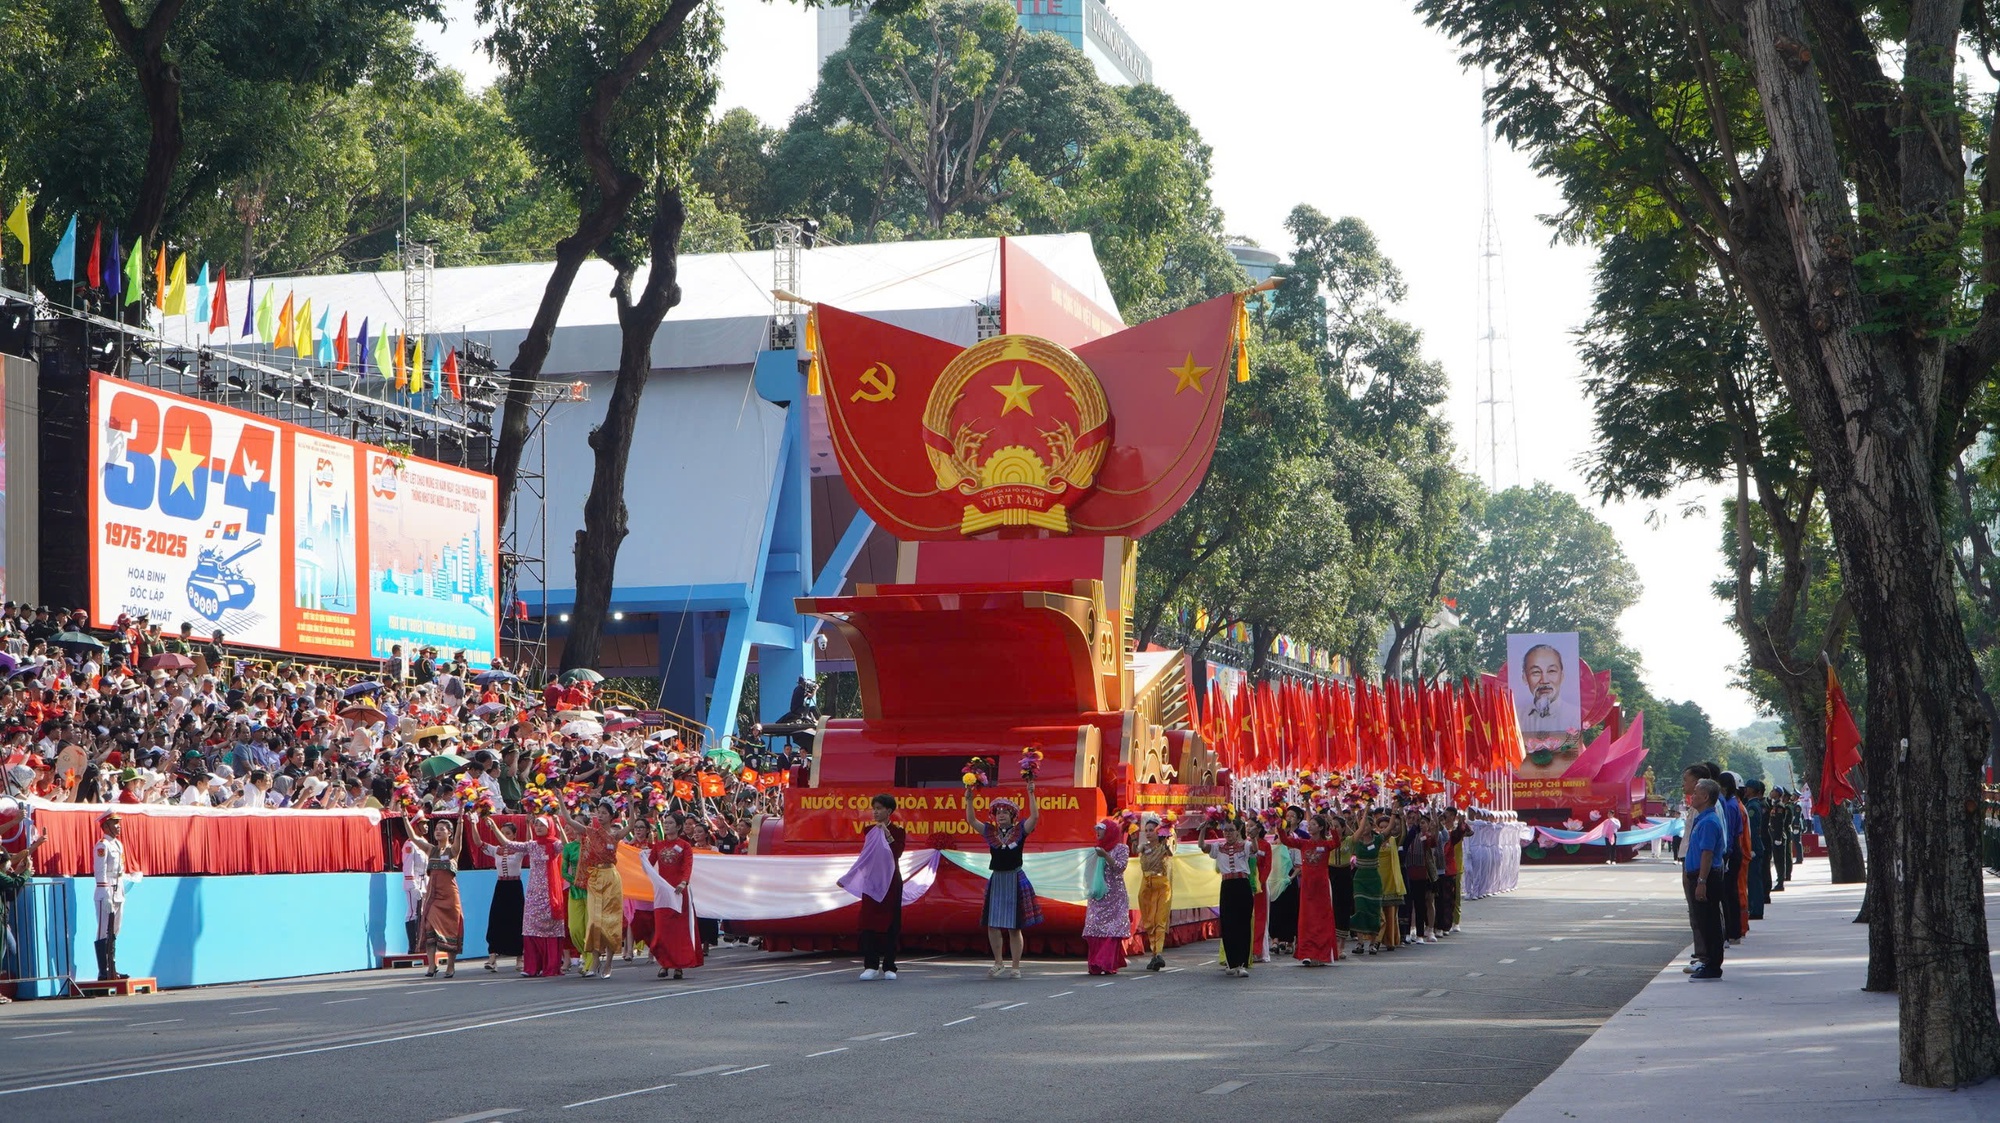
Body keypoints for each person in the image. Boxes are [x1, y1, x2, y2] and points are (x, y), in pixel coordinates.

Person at [962, 777, 1042, 979]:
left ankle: (1015, 966)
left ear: (1013, 815)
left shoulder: (1020, 830)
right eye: (998, 812)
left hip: (1015, 878)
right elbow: (972, 820)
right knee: (993, 924)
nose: (1001, 815)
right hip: (997, 879)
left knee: (1015, 926)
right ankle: (998, 962)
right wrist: (969, 800)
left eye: (1005, 812)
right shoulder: (990, 832)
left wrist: (1031, 793)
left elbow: (1035, 816)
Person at [485, 814, 568, 977]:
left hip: (550, 891)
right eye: (536, 825)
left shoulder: (554, 844)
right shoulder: (532, 845)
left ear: (549, 827)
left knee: (550, 927)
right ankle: (532, 967)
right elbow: (508, 843)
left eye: (542, 825)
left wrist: (559, 825)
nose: (538, 828)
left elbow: (566, 845)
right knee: (530, 927)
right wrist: (494, 828)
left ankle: (550, 965)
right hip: (533, 892)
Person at [837, 794, 906, 981]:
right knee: (867, 923)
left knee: (892, 924)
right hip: (871, 881)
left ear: (889, 811)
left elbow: (897, 853)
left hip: (891, 881)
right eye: (874, 808)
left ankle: (890, 966)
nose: (875, 811)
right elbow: (864, 858)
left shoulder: (898, 831)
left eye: (879, 808)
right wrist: (848, 877)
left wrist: (887, 834)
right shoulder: (868, 831)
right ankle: (871, 965)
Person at [561, 799, 631, 978]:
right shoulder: (590, 832)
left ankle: (608, 962)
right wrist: (561, 799)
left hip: (611, 878)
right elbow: (569, 821)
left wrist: (631, 804)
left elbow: (630, 826)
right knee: (594, 921)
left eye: (604, 813)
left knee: (610, 921)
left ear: (611, 816)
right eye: (598, 812)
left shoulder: (615, 835)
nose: (600, 815)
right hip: (594, 879)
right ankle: (595, 959)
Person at [640, 811, 702, 980]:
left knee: (678, 931)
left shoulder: (685, 846)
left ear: (679, 826)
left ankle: (678, 966)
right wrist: (642, 856)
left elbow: (688, 866)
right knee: (662, 929)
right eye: (665, 823)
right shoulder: (658, 846)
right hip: (663, 894)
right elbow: (649, 865)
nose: (666, 825)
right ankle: (664, 963)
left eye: (670, 823)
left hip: (679, 892)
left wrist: (684, 882)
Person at [1278, 812, 1342, 966]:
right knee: (1307, 920)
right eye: (1309, 824)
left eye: (1313, 824)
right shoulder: (1303, 843)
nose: (1310, 826)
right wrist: (1280, 828)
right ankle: (1307, 953)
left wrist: (1333, 829)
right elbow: (1286, 840)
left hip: (1321, 887)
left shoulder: (1326, 845)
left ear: (1320, 827)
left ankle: (1321, 954)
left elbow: (1336, 843)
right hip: (1306, 888)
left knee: (1321, 920)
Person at [405, 814, 465, 978]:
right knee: (429, 928)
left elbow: (459, 836)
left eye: (442, 829)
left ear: (449, 833)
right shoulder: (431, 849)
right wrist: (404, 816)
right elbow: (412, 836)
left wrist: (460, 818)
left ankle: (450, 967)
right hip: (433, 895)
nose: (438, 832)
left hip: (450, 896)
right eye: (436, 829)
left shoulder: (454, 850)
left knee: (451, 930)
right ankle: (432, 966)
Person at [1200, 816, 1256, 977]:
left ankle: (1242, 963)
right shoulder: (1218, 847)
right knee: (1228, 923)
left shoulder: (1245, 846)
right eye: (1225, 830)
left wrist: (1253, 836)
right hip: (1227, 886)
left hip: (1242, 885)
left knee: (1243, 924)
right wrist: (1203, 830)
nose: (1228, 833)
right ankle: (1232, 962)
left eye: (1231, 830)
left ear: (1238, 831)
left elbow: (1254, 850)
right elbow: (1202, 846)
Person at [1684, 778, 1727, 980]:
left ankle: (1713, 966)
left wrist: (1701, 882)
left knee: (1709, 923)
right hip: (1700, 876)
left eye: (1696, 792)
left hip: (1706, 878)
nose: (1692, 795)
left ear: (1706, 797)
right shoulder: (1703, 819)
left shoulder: (1709, 822)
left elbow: (1707, 854)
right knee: (1703, 921)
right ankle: (1709, 962)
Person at [1082, 817, 1132, 976]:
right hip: (1098, 896)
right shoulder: (1095, 850)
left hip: (1115, 897)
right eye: (1096, 829)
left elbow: (1120, 868)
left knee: (1111, 931)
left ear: (1109, 831)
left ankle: (1106, 963)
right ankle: (1095, 964)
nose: (1097, 832)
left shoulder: (1121, 849)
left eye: (1100, 829)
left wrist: (1105, 856)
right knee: (1094, 927)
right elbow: (1087, 871)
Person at [479, 812, 527, 973]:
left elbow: (530, 841)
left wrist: (529, 825)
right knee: (496, 920)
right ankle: (492, 957)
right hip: (501, 886)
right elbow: (478, 843)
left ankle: (520, 957)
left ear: (514, 836)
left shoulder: (519, 850)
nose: (504, 836)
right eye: (503, 832)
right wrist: (472, 823)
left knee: (517, 920)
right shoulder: (496, 850)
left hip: (515, 887)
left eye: (508, 833)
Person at [93, 811, 138, 981]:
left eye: (118, 822)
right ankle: (103, 971)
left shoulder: (118, 844)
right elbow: (100, 870)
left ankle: (112, 968)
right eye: (114, 823)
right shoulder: (102, 845)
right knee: (103, 930)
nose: (118, 826)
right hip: (106, 891)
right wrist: (105, 893)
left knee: (115, 931)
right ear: (106, 826)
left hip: (118, 890)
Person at [1136, 813, 1174, 971]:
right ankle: (1154, 954)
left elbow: (1171, 851)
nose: (1149, 833)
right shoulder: (1143, 847)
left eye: (1151, 830)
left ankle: (1158, 953)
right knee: (1149, 921)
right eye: (1147, 830)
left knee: (1160, 921)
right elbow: (1135, 848)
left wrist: (1169, 830)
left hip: (1162, 885)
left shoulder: (1165, 846)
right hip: (1146, 885)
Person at [1348, 815, 1386, 955]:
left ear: (1372, 827)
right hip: (1360, 879)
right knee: (1360, 909)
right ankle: (1360, 942)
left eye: (1367, 825)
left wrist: (1395, 813)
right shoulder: (1356, 839)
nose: (1364, 828)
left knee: (1374, 911)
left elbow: (1389, 828)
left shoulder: (1377, 840)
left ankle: (1373, 943)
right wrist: (1365, 810)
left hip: (1374, 879)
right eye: (1362, 825)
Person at [1744, 780, 1771, 921]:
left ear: (1754, 790)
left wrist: (1752, 848)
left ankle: (1756, 910)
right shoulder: (1750, 805)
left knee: (1755, 881)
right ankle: (1754, 907)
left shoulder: (1753, 806)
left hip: (1754, 847)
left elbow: (1752, 830)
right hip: (1754, 847)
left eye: (1748, 788)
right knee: (1752, 880)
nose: (1745, 790)